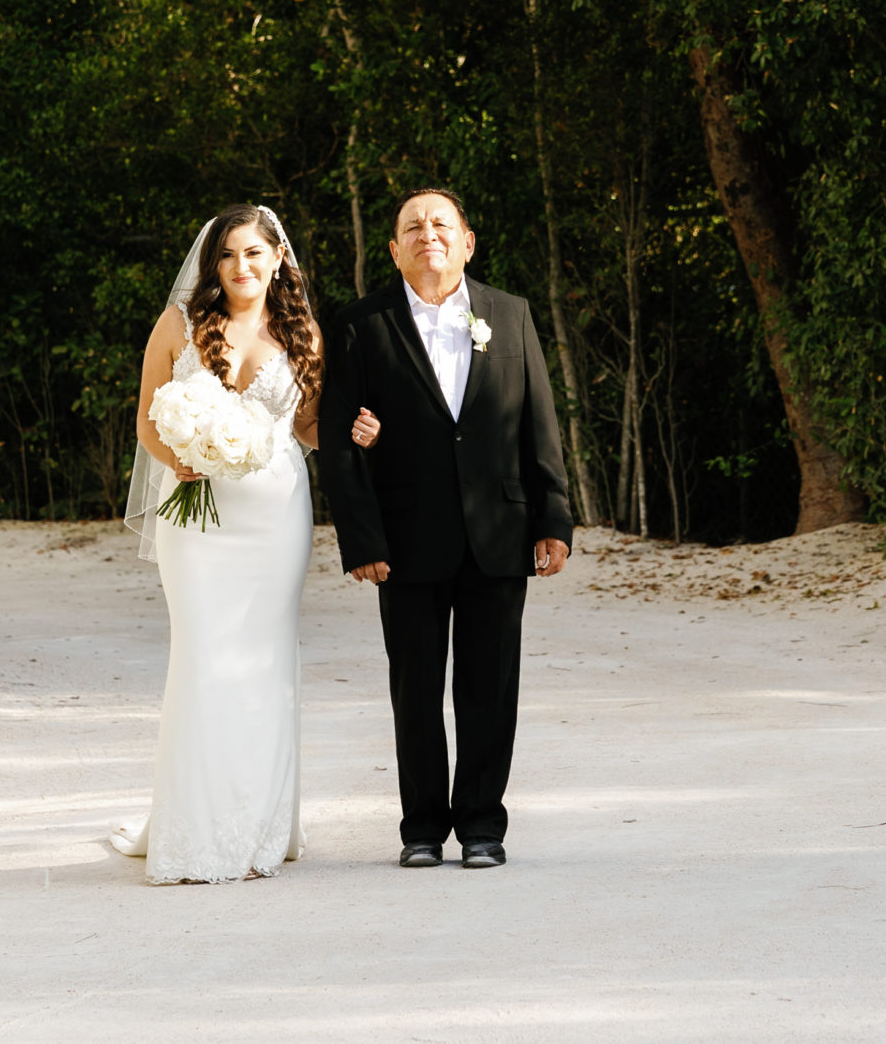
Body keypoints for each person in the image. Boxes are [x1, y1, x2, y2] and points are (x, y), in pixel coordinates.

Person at [319, 188, 574, 870]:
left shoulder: (511, 314)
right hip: (404, 539)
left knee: (491, 689)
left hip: (501, 530)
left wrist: (554, 518)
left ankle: (484, 827)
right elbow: (341, 444)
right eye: (412, 226)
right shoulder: (357, 325)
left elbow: (539, 424)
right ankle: (421, 829)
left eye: (441, 223)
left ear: (467, 241)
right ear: (395, 250)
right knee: (416, 689)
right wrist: (361, 539)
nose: (427, 233)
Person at [109, 204, 324, 883]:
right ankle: (194, 832)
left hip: (276, 518)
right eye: (229, 255)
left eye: (255, 253)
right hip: (195, 520)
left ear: (278, 260)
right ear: (213, 263)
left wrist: (363, 428)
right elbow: (148, 416)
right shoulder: (178, 325)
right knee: (203, 658)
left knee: (265, 661)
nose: (241, 267)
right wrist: (177, 457)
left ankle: (260, 826)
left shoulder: (302, 331)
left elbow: (311, 429)